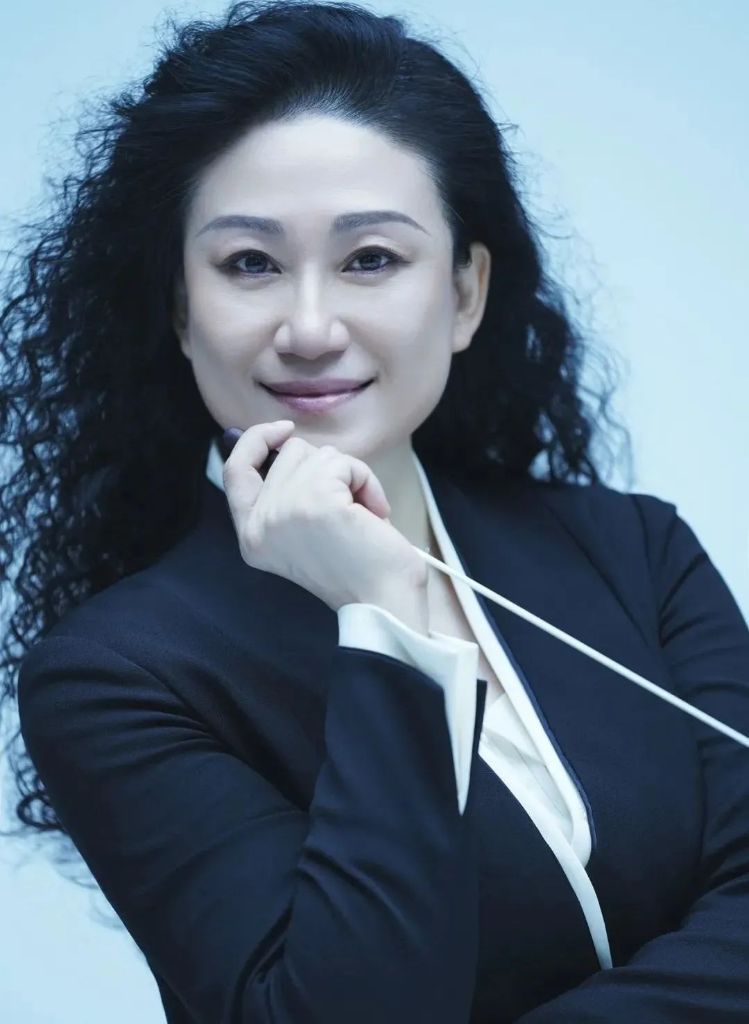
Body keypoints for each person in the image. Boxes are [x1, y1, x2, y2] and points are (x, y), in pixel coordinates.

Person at [2, 2, 747, 1022]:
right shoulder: (114, 676)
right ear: (179, 309)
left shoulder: (634, 551)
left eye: (370, 260)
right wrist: (385, 622)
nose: (310, 328)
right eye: (249, 263)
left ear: (465, 294)